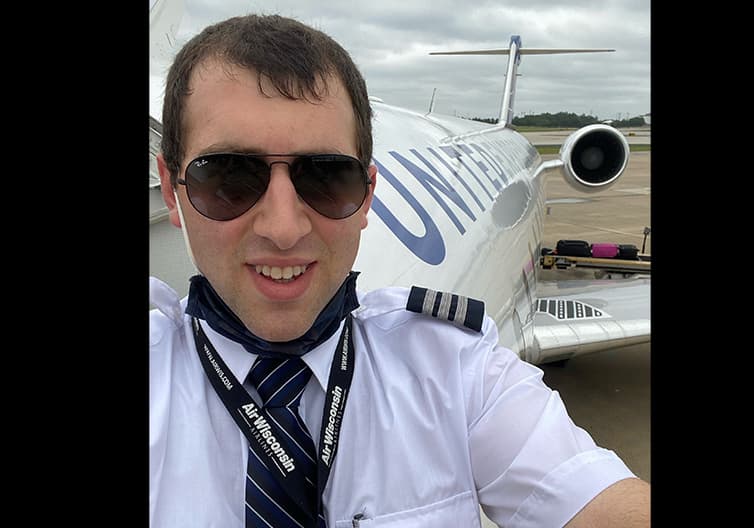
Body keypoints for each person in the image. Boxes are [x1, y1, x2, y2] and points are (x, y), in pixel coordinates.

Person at [149, 13, 651, 528]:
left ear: (367, 193)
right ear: (171, 188)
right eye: (229, 176)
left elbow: (592, 496)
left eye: (326, 177)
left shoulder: (457, 369)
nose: (283, 228)